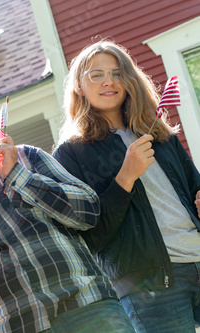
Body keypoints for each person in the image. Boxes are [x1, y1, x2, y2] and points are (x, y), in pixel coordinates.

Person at [0, 106, 135, 333]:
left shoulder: (25, 157)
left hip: (87, 305)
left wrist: (19, 176)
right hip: (15, 325)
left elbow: (89, 212)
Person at [52, 39, 200, 332]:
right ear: (79, 86)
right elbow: (89, 237)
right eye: (97, 74)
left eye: (117, 73)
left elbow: (194, 187)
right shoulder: (70, 154)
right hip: (150, 287)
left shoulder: (160, 134)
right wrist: (126, 177)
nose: (109, 81)